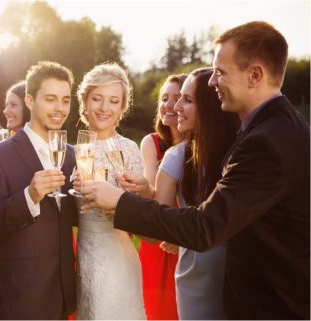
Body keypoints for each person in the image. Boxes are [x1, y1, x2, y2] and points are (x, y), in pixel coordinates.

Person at [80, 21, 310, 319]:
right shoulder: (273, 128)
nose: (212, 81)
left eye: (220, 72)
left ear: (255, 75)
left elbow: (204, 227)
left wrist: (118, 200)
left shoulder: (267, 142)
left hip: (271, 306)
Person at [0, 61, 77, 319]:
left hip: (63, 294)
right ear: (30, 101)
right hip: (19, 297)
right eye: (51, 99)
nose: (60, 108)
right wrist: (28, 196)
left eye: (65, 100)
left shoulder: (72, 155)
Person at [156, 67, 238, 319]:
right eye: (178, 97)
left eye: (187, 100)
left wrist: (178, 229)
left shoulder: (241, 153)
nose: (176, 106)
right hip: (195, 274)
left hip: (238, 271)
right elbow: (159, 219)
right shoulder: (176, 157)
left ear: (210, 108)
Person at [72, 63, 145, 320]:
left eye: (113, 101)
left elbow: (145, 209)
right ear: (85, 101)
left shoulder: (129, 150)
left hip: (118, 251)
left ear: (122, 108)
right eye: (97, 99)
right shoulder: (74, 150)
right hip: (86, 252)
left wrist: (134, 192)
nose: (104, 108)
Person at [138, 74, 186, 320]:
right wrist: (137, 188)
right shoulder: (152, 143)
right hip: (159, 242)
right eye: (164, 98)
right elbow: (153, 197)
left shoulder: (202, 144)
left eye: (178, 98)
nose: (169, 104)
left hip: (189, 239)